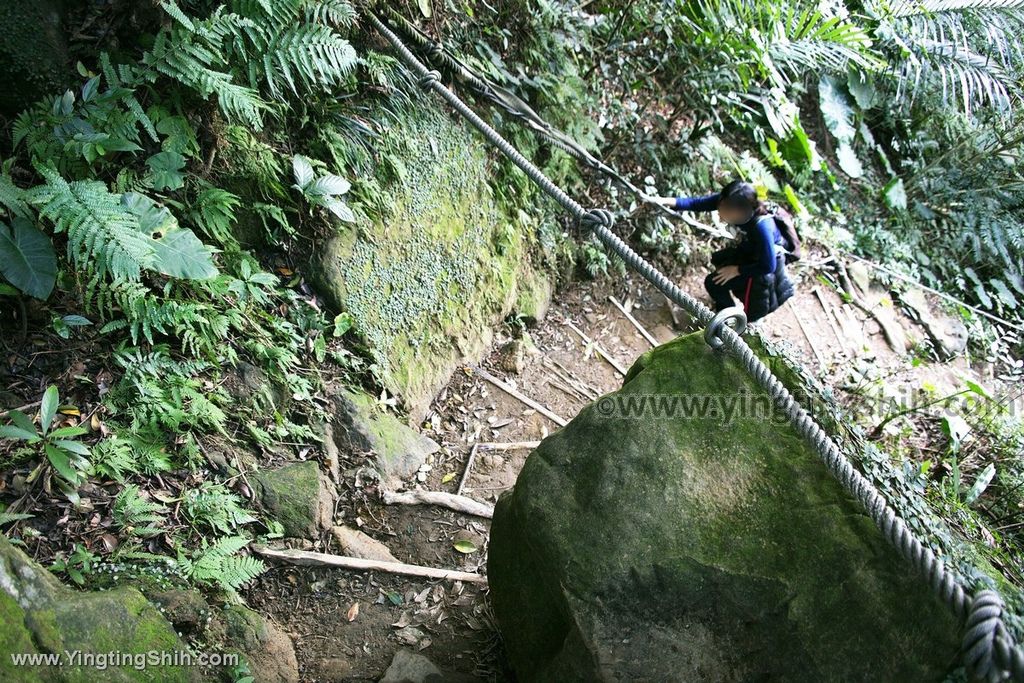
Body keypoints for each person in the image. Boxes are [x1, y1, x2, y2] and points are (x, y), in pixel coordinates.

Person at [652, 180, 794, 323]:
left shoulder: (761, 228)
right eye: (720, 207)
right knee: (714, 283)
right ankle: (724, 316)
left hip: (763, 269)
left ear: (740, 212)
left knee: (752, 313)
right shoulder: (729, 202)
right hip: (749, 254)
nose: (719, 213)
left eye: (724, 211)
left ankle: (734, 326)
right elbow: (697, 203)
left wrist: (736, 270)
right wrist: (663, 201)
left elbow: (769, 266)